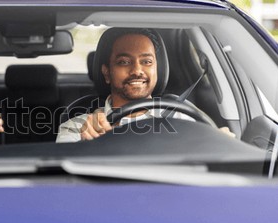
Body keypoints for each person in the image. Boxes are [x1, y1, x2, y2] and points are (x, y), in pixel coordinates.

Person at [56, 28, 233, 143]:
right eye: (124, 62)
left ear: (157, 69)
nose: (137, 70)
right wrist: (86, 145)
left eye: (147, 61)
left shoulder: (184, 119)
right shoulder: (77, 127)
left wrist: (221, 142)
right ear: (107, 73)